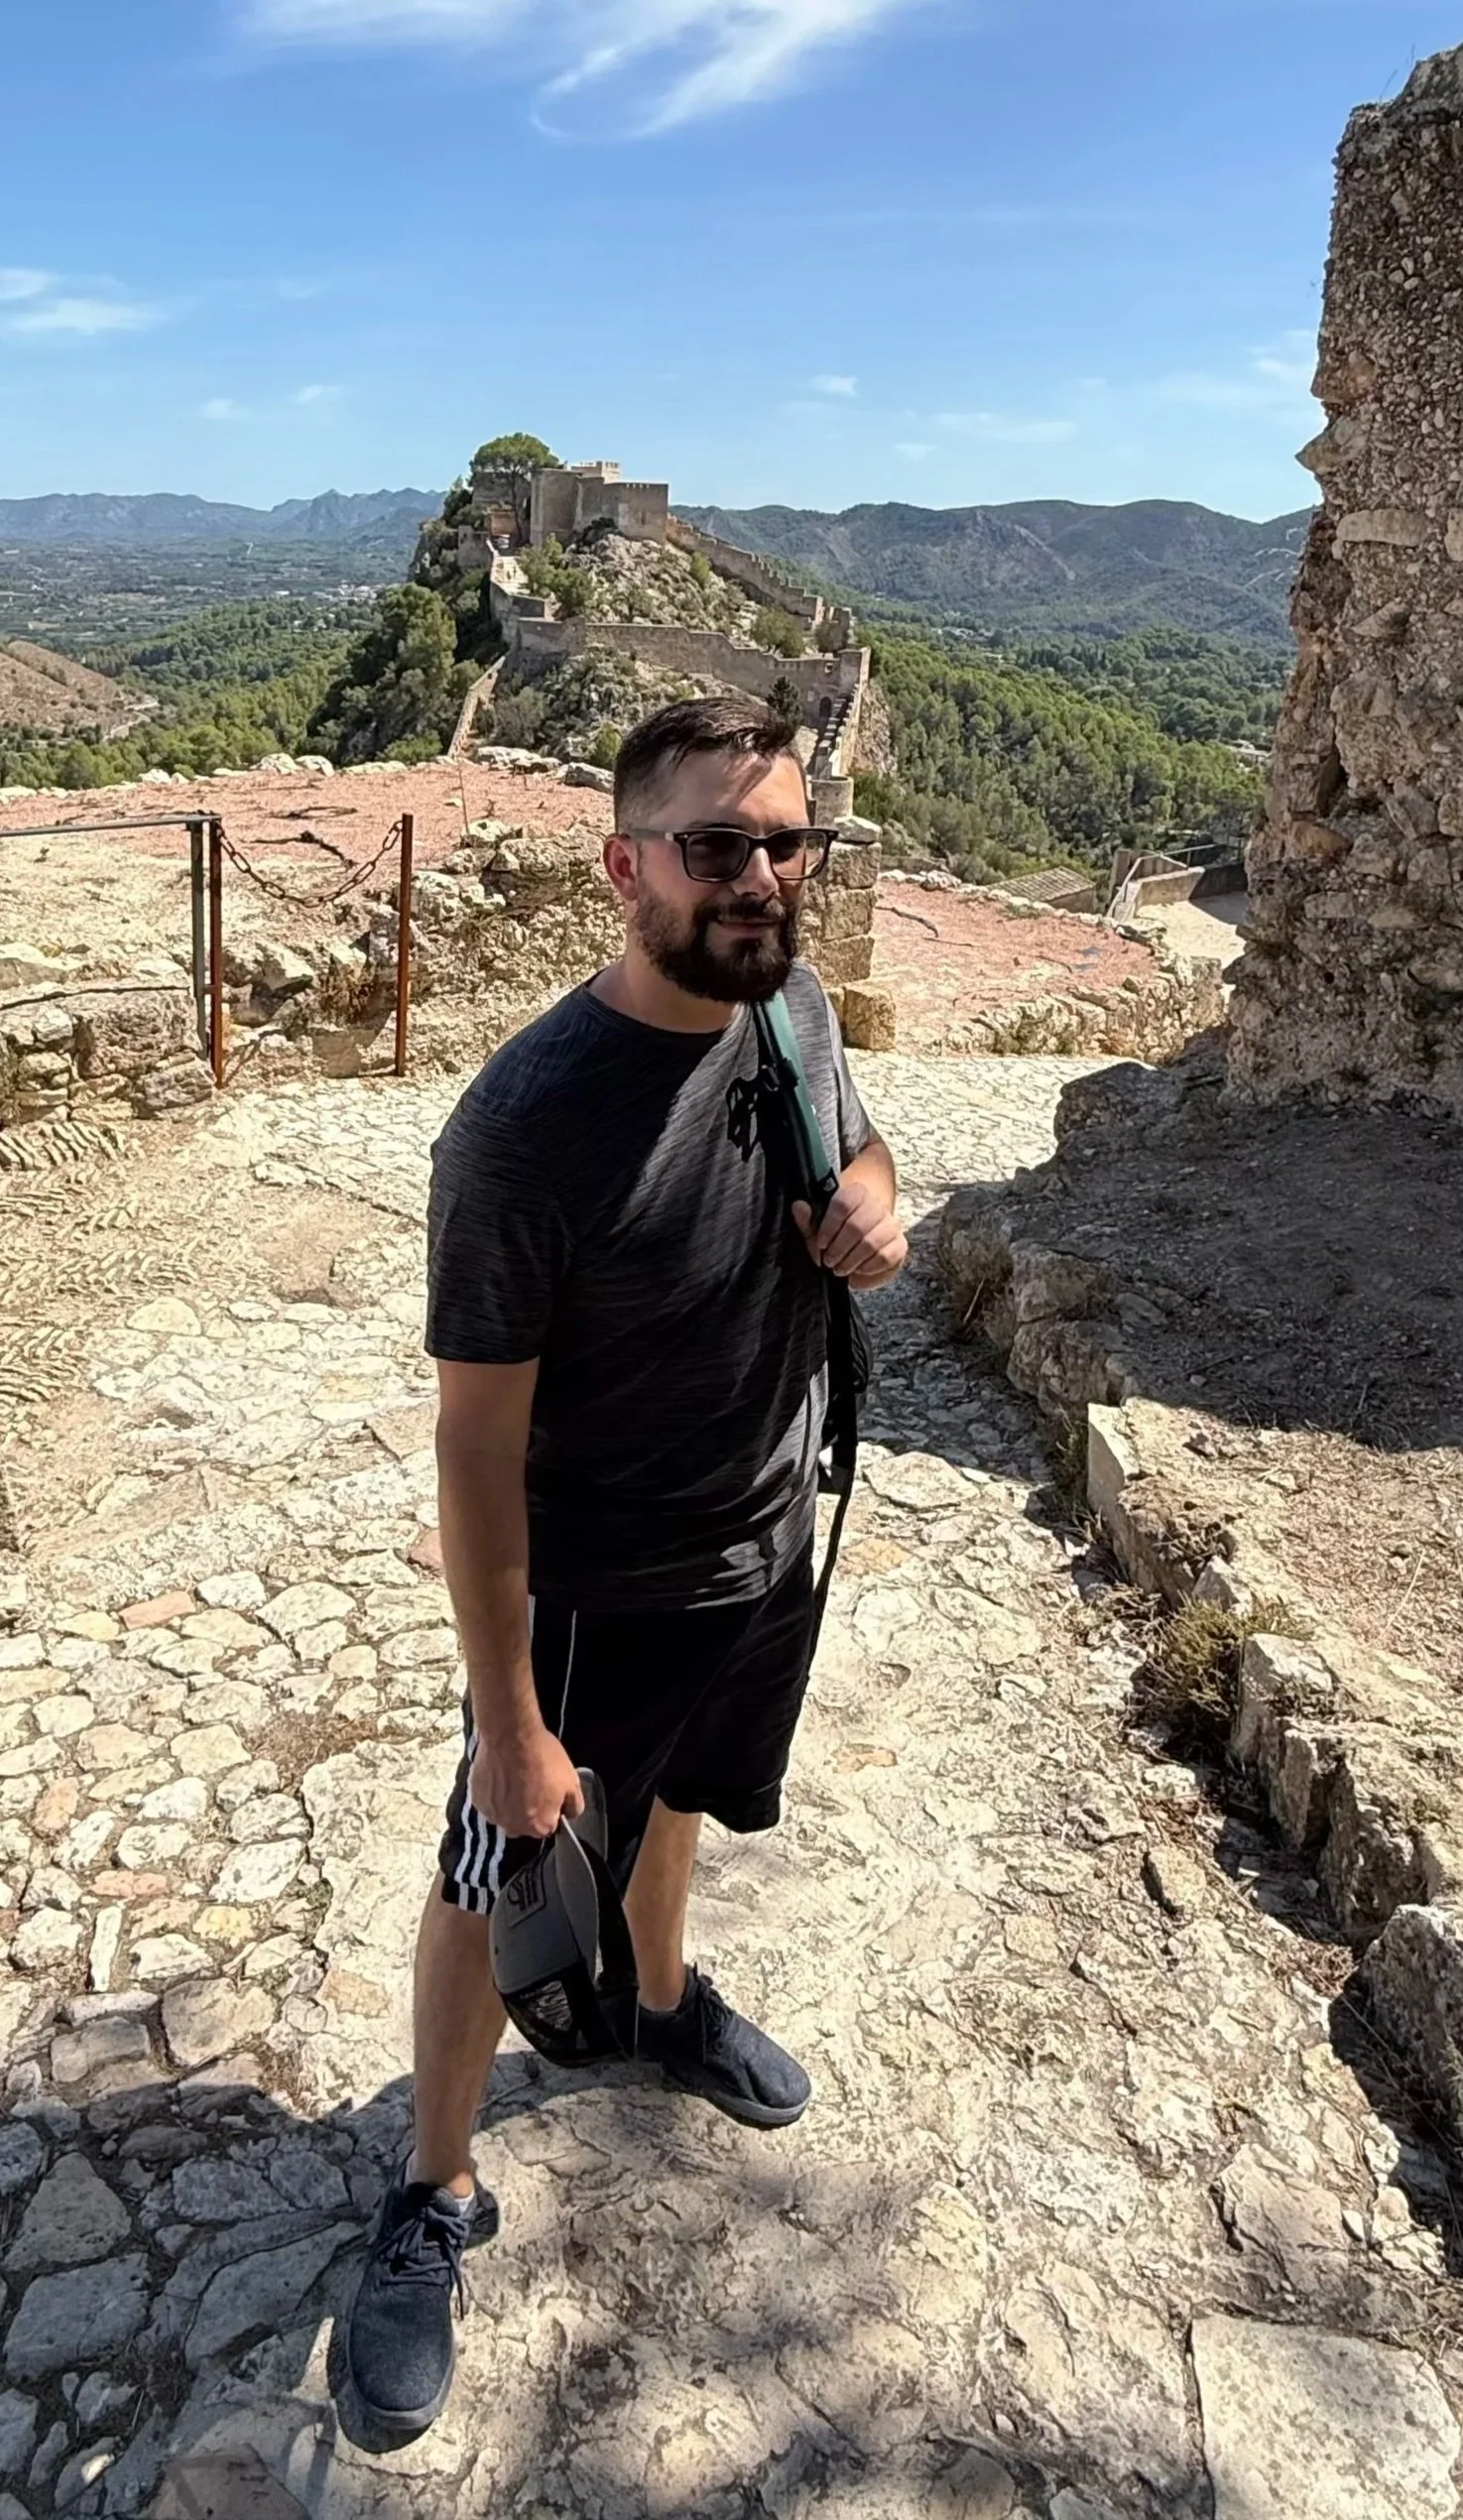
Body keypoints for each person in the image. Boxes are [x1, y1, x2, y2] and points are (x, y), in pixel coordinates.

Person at [344, 694, 909, 2441]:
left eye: (784, 842)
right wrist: (508, 1719)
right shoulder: (525, 1129)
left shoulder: (793, 1008)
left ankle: (661, 2004)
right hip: (588, 1593)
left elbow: (861, 1154)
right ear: (623, 867)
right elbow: (476, 1447)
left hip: (762, 1539)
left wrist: (879, 1205)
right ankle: (433, 2193)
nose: (757, 877)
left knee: (675, 1816)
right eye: (714, 845)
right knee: (492, 1870)